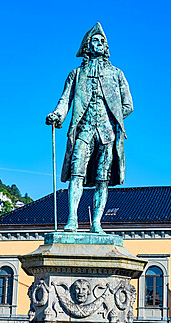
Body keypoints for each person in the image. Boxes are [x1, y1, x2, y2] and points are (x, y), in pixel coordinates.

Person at [46, 23, 133, 233]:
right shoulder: (76, 74)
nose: (100, 43)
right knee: (77, 172)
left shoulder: (117, 74)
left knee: (102, 179)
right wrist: (57, 115)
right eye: (96, 40)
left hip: (107, 133)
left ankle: (96, 223)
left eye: (103, 41)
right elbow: (65, 100)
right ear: (87, 45)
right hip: (84, 130)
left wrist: (113, 118)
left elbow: (128, 105)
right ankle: (72, 220)